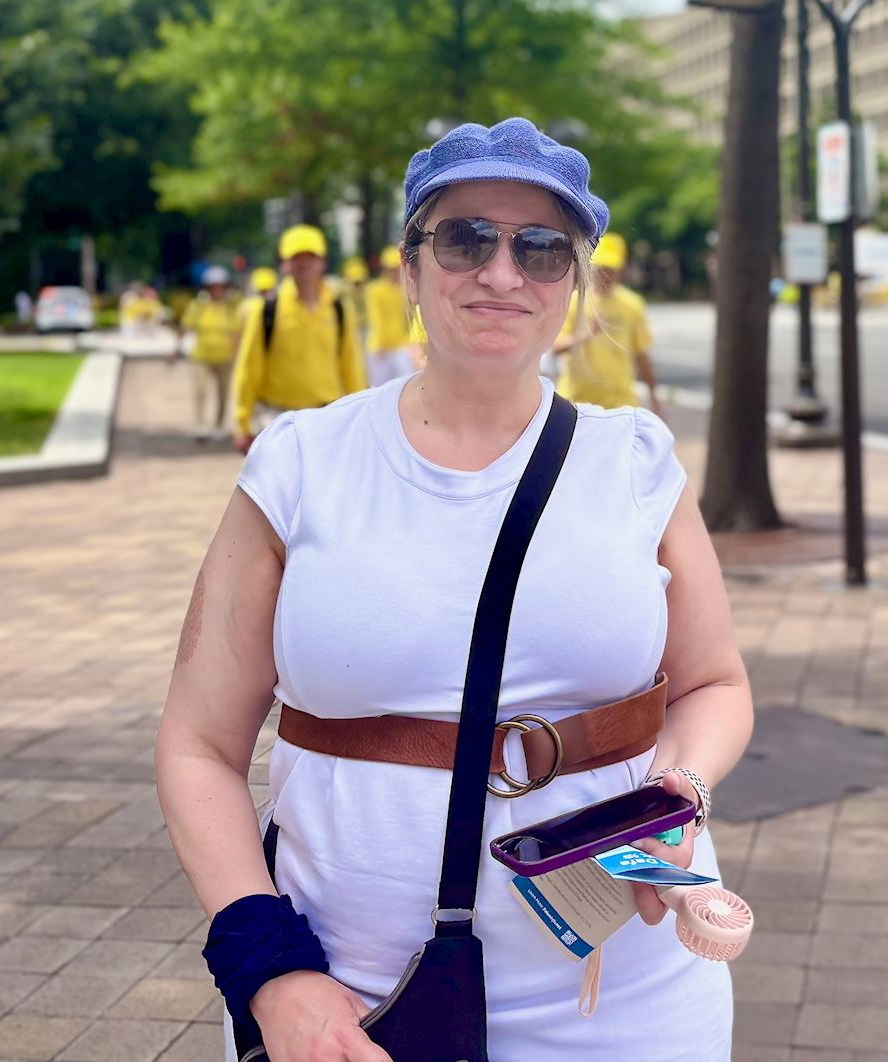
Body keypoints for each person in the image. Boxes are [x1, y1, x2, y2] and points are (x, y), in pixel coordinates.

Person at [157, 117, 752, 1062]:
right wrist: (269, 970)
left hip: (625, 995)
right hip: (352, 998)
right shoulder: (301, 464)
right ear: (410, 268)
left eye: (541, 248)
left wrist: (677, 793)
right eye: (466, 238)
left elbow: (716, 685)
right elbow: (198, 745)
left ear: (574, 282)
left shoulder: (637, 463)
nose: (502, 273)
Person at [230, 225, 365, 454]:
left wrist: (360, 417)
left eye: (310, 257)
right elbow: (249, 368)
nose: (304, 264)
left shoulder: (340, 310)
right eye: (295, 257)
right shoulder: (266, 310)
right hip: (276, 417)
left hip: (327, 415)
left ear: (322, 262)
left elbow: (352, 366)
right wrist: (242, 422)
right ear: (284, 264)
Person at [552, 232, 663, 417]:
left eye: (611, 268)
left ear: (621, 270)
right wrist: (585, 334)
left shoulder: (632, 305)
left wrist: (654, 396)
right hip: (575, 404)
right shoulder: (574, 301)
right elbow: (555, 347)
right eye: (601, 267)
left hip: (620, 406)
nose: (605, 274)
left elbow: (642, 355)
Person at [178, 265, 241, 441]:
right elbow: (186, 326)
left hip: (226, 357)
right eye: (213, 286)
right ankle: (200, 424)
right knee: (200, 390)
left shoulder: (232, 307)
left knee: (223, 393)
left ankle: (219, 425)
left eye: (220, 286)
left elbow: (239, 331)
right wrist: (176, 348)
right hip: (202, 356)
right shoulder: (198, 306)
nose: (217, 290)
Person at [363, 245, 420, 385]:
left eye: (395, 268)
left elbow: (412, 316)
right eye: (390, 268)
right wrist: (379, 343)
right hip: (380, 345)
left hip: (401, 343)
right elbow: (376, 317)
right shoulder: (375, 290)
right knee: (377, 387)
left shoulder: (405, 289)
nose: (393, 272)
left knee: (406, 382)